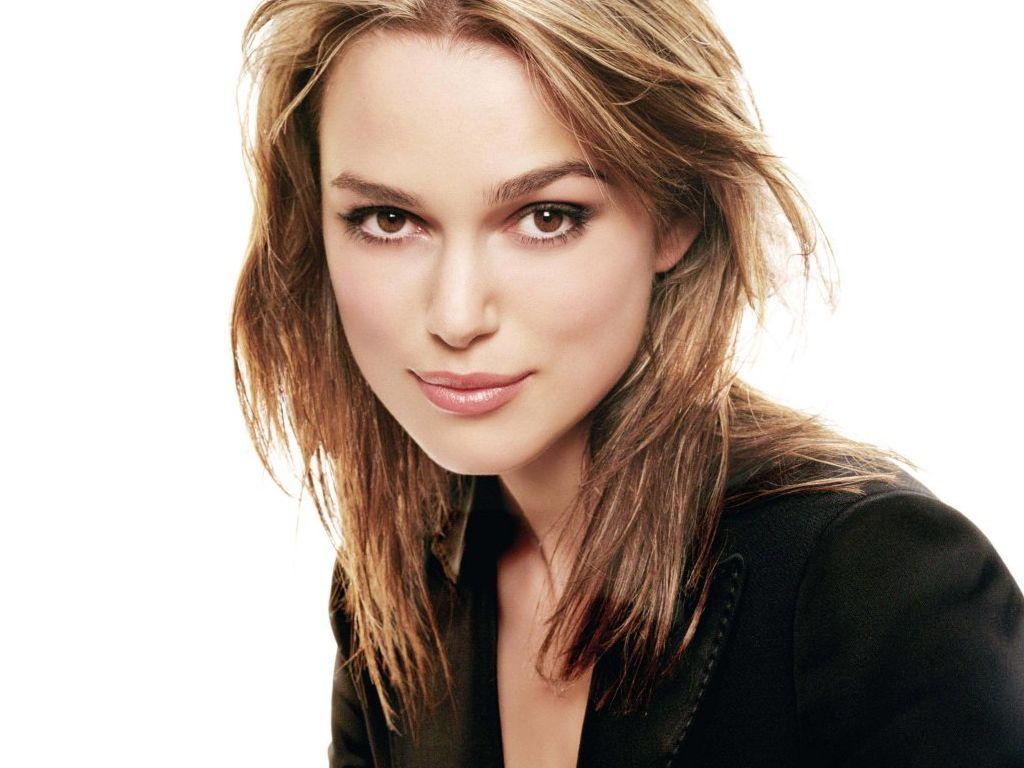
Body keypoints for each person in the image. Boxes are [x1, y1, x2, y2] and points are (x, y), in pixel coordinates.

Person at [230, 1, 1024, 765]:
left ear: (676, 213)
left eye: (546, 217)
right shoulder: (396, 588)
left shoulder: (876, 579)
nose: (457, 315)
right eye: (388, 219)